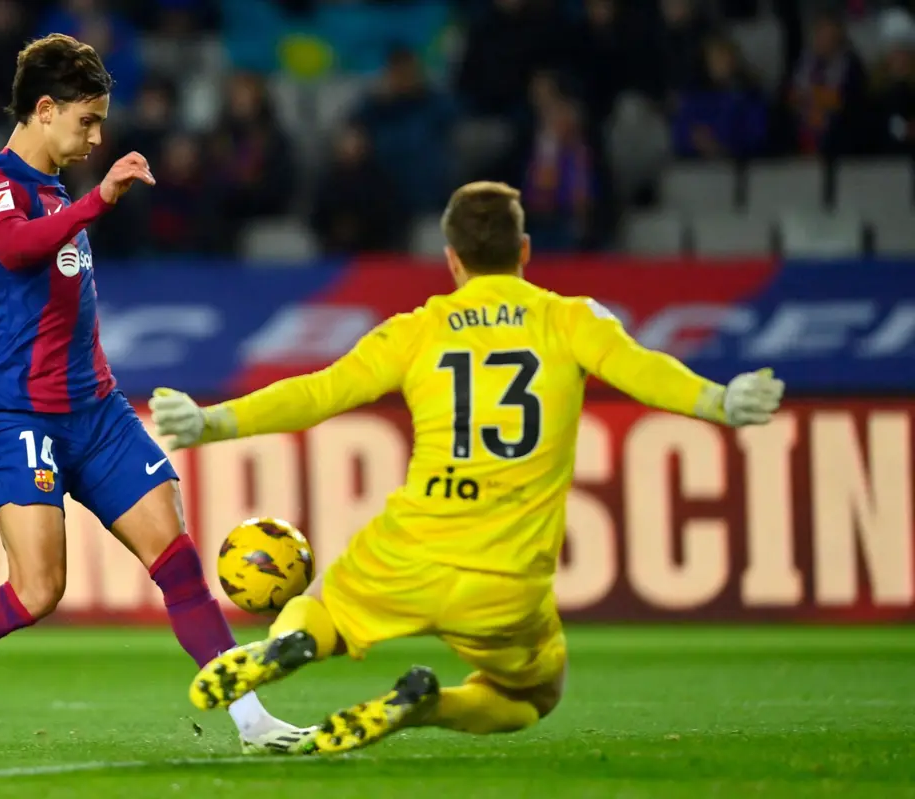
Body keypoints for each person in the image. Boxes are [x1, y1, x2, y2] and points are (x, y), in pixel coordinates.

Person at [149, 181, 785, 755]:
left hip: (409, 551)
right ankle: (428, 705)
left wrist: (212, 422)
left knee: (322, 606)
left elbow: (318, 392)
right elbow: (646, 371)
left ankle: (294, 644)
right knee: (531, 696)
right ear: (525, 251)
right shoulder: (569, 320)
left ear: (452, 257)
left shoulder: (419, 329)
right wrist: (721, 402)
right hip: (506, 577)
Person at [0, 33, 311, 757]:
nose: (96, 135)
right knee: (36, 590)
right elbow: (19, 248)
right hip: (24, 414)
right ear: (45, 109)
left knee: (175, 558)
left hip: (97, 410)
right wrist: (99, 202)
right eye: (87, 120)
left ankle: (253, 724)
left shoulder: (57, 193)